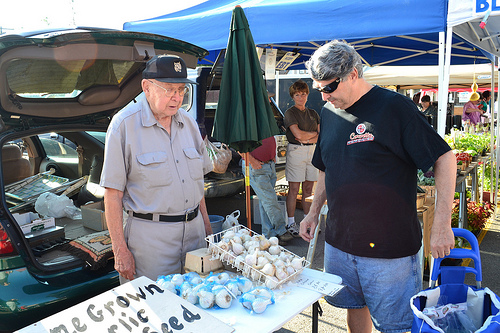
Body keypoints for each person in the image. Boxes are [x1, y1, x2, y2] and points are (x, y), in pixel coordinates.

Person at [301, 40, 456, 333]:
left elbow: (445, 158)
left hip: (389, 251)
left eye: (329, 87)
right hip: (339, 243)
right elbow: (325, 167)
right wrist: (312, 213)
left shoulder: (394, 107)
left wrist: (441, 225)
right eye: (318, 88)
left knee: (396, 326)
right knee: (352, 307)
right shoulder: (330, 112)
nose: (323, 96)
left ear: (353, 74)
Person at [100, 55, 213, 283]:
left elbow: (196, 185)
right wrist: (120, 250)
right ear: (147, 87)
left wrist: (208, 230)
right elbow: (112, 195)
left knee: (199, 305)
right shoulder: (124, 126)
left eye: (181, 90)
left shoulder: (189, 123)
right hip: (151, 243)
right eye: (169, 89)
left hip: (195, 235)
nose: (177, 97)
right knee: (154, 310)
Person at [240, 136, 293, 245]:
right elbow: (237, 145)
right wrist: (252, 160)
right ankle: (281, 230)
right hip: (256, 166)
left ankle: (269, 236)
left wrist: (272, 155)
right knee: (269, 200)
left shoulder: (262, 120)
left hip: (268, 164)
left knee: (266, 201)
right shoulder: (246, 121)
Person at [283, 80, 320, 237]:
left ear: (307, 95)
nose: (301, 97)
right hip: (296, 151)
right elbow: (297, 135)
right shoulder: (290, 113)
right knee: (293, 188)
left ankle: (307, 220)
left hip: (312, 151)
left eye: (303, 94)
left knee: (308, 189)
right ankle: (291, 222)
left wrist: (307, 138)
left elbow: (321, 135)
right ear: (293, 96)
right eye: (297, 95)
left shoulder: (313, 113)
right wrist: (312, 136)